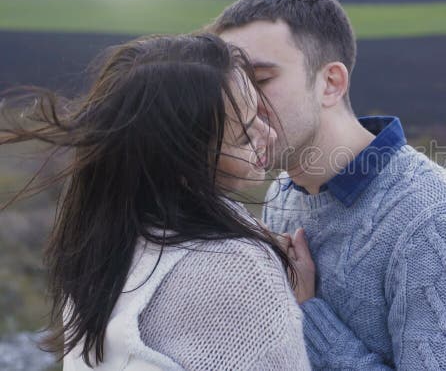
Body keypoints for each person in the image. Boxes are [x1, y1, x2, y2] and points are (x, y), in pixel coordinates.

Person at [211, 0, 446, 370]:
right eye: (230, 87)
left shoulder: (439, 219)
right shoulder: (280, 192)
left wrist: (307, 315)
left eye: (260, 81)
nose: (239, 105)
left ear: (330, 83)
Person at [0, 33, 311, 370]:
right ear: (182, 163)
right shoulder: (238, 267)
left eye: (260, 116)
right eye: (246, 135)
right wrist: (302, 308)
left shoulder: (96, 245)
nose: (270, 135)